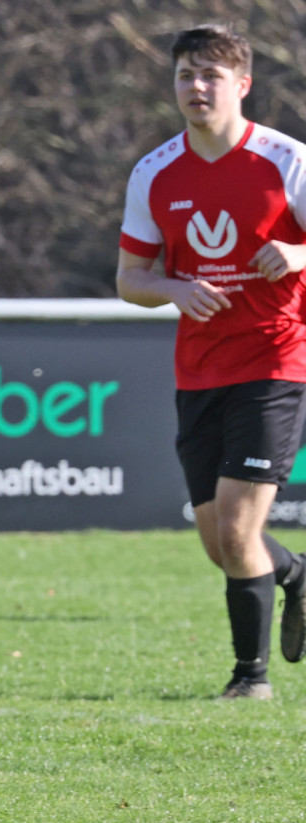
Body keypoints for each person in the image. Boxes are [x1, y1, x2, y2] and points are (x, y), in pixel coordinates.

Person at [117, 23, 306, 701]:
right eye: (185, 76)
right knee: (218, 543)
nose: (196, 88)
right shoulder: (155, 172)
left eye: (211, 76)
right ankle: (295, 573)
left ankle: (248, 679)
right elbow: (130, 278)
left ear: (243, 84)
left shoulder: (288, 162)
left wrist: (297, 253)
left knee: (237, 528)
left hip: (277, 358)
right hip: (199, 370)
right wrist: (172, 286)